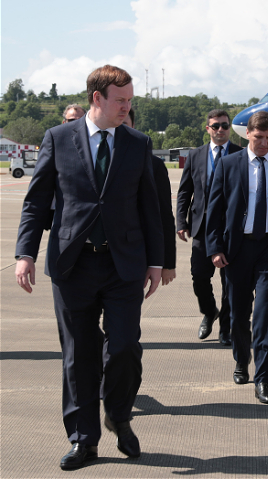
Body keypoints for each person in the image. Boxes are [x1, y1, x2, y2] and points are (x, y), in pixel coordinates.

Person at [15, 65, 163, 470]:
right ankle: (84, 440)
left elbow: (149, 207)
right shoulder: (58, 138)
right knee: (78, 355)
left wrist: (156, 261)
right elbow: (36, 201)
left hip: (123, 265)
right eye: (120, 100)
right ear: (97, 98)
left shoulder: (138, 143)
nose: (127, 107)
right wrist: (25, 253)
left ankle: (118, 414)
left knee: (124, 347)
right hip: (72, 264)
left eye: (130, 100)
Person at [205, 111, 268, 404]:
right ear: (247, 134)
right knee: (238, 314)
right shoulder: (228, 164)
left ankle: (264, 379)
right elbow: (215, 209)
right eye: (259, 137)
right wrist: (215, 248)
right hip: (237, 249)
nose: (264, 143)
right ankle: (241, 358)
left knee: (267, 314)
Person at [176, 110, 243, 345]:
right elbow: (185, 191)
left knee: (230, 282)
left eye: (224, 126)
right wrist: (181, 221)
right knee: (199, 277)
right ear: (208, 129)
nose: (220, 130)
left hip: (231, 228)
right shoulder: (195, 155)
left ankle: (226, 328)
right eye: (216, 126)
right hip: (202, 227)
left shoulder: (240, 154)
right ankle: (209, 311)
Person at [124, 109, 176, 286]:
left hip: (134, 255)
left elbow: (164, 215)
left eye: (124, 125)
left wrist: (167, 262)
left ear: (133, 126)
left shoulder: (153, 164)